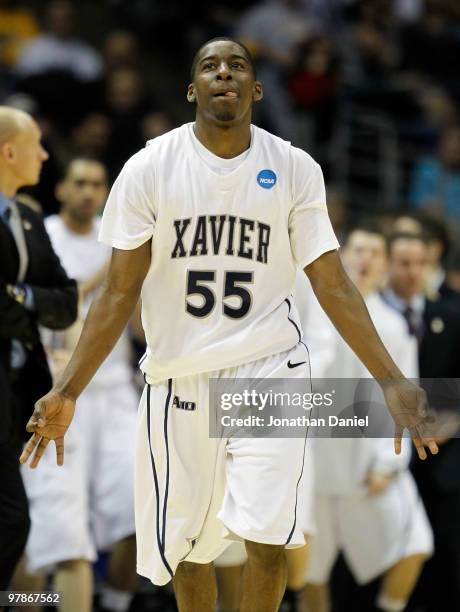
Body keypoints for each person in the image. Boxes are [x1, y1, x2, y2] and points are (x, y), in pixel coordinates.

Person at [20, 38, 437, 612]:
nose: (224, 74)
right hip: (179, 376)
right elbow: (119, 291)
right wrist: (67, 390)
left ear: (255, 90)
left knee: (267, 536)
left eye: (237, 66)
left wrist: (390, 379)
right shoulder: (148, 168)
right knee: (190, 549)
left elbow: (333, 283)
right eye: (210, 67)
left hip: (269, 370)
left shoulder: (293, 168)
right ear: (192, 89)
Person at [19, 158, 139, 612]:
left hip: (114, 391)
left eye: (97, 183)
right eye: (80, 183)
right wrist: (111, 271)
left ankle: (119, 600)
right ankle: (31, 601)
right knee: (56, 531)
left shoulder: (120, 234)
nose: (90, 191)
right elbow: (63, 304)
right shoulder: (41, 233)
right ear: (64, 190)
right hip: (55, 390)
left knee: (136, 509)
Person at [297, 225, 433, 612]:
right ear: (341, 256)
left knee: (416, 545)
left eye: (375, 252)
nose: (365, 259)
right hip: (316, 462)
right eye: (358, 250)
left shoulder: (394, 326)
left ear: (384, 266)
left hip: (367, 465)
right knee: (311, 574)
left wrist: (389, 463)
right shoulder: (310, 310)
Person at [0, 106, 78, 589]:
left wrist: (22, 296)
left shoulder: (28, 217)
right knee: (13, 520)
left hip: (18, 388)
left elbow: (66, 302)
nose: (46, 155)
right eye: (36, 146)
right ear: (9, 152)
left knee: (13, 523)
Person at [382, 231, 460, 612]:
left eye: (421, 264)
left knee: (432, 553)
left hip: (438, 458)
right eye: (404, 263)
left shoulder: (449, 316)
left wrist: (450, 421)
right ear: (388, 265)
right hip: (378, 451)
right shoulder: (368, 315)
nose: (414, 272)